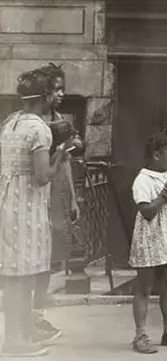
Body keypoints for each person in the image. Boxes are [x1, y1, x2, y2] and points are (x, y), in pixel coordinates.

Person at [0, 69, 72, 358]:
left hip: (8, 204)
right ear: (44, 96)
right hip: (26, 209)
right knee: (22, 278)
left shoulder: (10, 123)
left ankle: (18, 335)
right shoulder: (39, 129)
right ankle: (16, 341)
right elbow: (43, 176)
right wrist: (60, 155)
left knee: (13, 277)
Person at [129, 131, 167, 355]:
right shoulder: (143, 179)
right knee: (144, 288)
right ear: (157, 155)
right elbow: (146, 211)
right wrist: (163, 197)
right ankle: (141, 334)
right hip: (148, 236)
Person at [35, 64, 77, 346]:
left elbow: (67, 162)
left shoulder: (62, 120)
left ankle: (37, 311)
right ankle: (34, 314)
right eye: (57, 89)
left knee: (50, 256)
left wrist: (73, 197)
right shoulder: (34, 124)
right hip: (38, 192)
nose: (61, 94)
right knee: (36, 257)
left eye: (63, 88)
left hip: (58, 191)